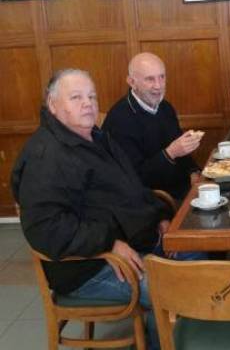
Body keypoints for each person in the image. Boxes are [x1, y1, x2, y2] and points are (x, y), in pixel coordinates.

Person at [11, 69, 170, 350]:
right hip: (87, 267)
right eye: (76, 97)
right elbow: (46, 229)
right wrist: (110, 243)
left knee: (194, 261)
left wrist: (158, 215)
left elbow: (131, 186)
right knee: (173, 293)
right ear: (53, 105)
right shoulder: (47, 156)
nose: (88, 103)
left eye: (92, 96)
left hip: (129, 241)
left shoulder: (95, 137)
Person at [103, 52, 202, 201]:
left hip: (184, 189)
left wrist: (193, 171)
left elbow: (181, 149)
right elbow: (135, 179)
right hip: (153, 200)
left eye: (162, 77)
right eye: (150, 79)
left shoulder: (165, 107)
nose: (158, 86)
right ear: (131, 82)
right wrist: (170, 153)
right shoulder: (119, 120)